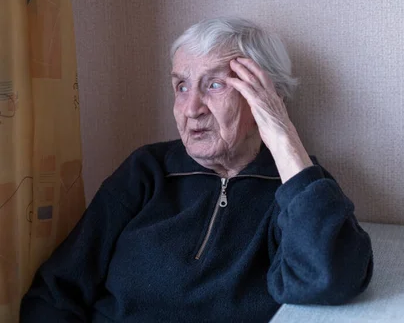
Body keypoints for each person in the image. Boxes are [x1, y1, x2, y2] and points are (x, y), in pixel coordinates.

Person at [20, 17, 373, 322]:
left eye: (215, 84)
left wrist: (282, 138)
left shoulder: (299, 188)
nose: (191, 108)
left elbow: (329, 279)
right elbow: (57, 290)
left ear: (267, 97)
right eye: (181, 85)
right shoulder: (147, 170)